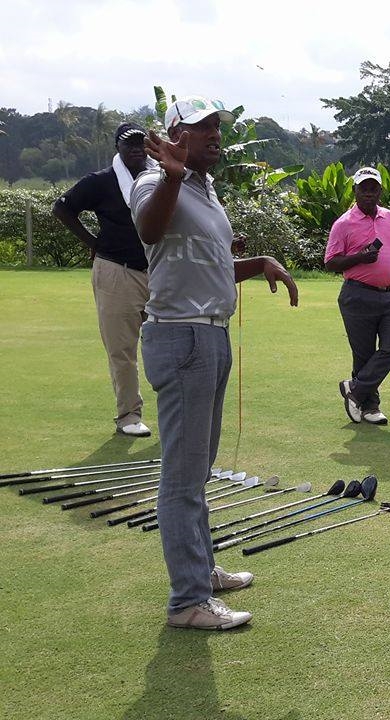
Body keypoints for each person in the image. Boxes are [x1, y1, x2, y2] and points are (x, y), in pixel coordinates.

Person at [132, 95, 298, 630]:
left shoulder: (205, 189)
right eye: (202, 128)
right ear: (175, 136)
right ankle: (188, 601)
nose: (215, 135)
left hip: (211, 339)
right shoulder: (156, 183)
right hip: (182, 340)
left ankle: (200, 573)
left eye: (217, 127)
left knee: (198, 469)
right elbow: (149, 232)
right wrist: (173, 177)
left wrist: (260, 262)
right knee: (182, 477)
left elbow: (211, 266)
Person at [52, 123, 155, 437]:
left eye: (141, 144)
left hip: (159, 272)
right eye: (129, 145)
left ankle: (177, 413)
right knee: (121, 349)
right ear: (118, 148)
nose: (137, 149)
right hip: (116, 271)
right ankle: (128, 416)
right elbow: (62, 208)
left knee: (168, 344)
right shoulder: (101, 181)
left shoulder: (160, 178)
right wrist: (91, 241)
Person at [326, 167, 390, 425]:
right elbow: (331, 263)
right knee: (363, 354)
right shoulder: (343, 223)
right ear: (355, 191)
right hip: (357, 295)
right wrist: (360, 257)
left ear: (380, 191)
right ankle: (370, 407)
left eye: (374, 188)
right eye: (364, 188)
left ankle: (354, 389)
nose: (369, 193)